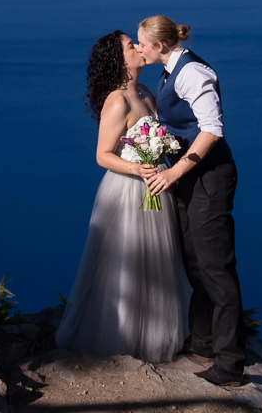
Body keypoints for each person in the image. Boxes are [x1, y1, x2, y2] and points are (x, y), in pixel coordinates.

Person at [55, 30, 190, 364]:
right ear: (119, 60)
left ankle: (156, 336)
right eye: (132, 46)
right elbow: (102, 155)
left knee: (157, 262)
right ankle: (120, 340)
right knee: (125, 263)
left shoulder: (145, 92)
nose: (139, 48)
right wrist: (138, 170)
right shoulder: (118, 100)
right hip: (128, 192)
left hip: (154, 185)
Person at [136, 15, 247, 387]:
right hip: (189, 177)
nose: (139, 49)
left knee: (216, 267)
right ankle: (203, 344)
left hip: (209, 178)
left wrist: (173, 172)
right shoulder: (169, 69)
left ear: (161, 46)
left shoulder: (193, 73)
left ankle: (230, 365)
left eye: (143, 45)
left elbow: (212, 130)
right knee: (194, 260)